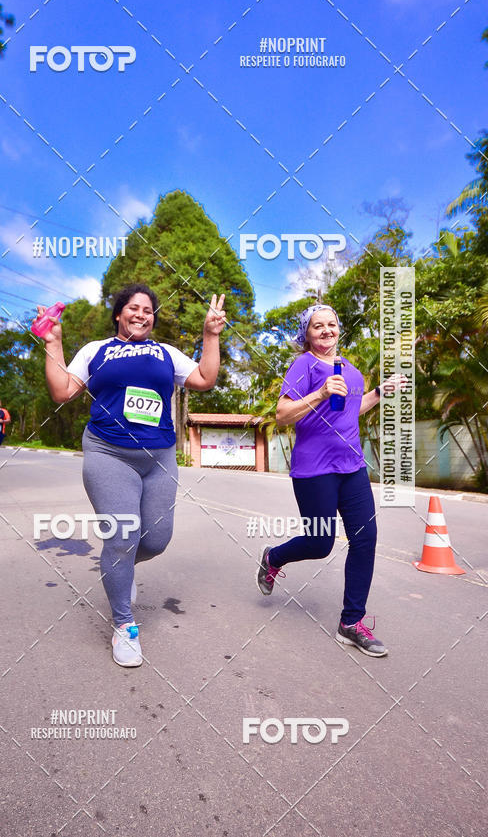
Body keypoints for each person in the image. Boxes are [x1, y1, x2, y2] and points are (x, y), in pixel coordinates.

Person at [35, 283, 226, 668]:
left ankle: (120, 570)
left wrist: (210, 335)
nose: (142, 314)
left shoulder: (166, 353)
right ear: (119, 314)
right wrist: (53, 342)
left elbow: (205, 379)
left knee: (156, 540)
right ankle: (124, 624)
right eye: (133, 308)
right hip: (108, 453)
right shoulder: (96, 350)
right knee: (122, 537)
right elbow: (61, 391)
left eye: (148, 310)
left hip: (159, 456)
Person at [256, 303, 407, 658]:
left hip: (351, 466)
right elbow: (282, 415)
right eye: (317, 326)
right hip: (314, 469)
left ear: (340, 329)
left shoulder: (351, 371)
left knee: (366, 539)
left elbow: (352, 410)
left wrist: (380, 393)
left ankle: (351, 623)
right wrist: (320, 393)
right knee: (320, 543)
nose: (326, 330)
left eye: (332, 324)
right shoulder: (303, 365)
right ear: (306, 334)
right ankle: (273, 556)